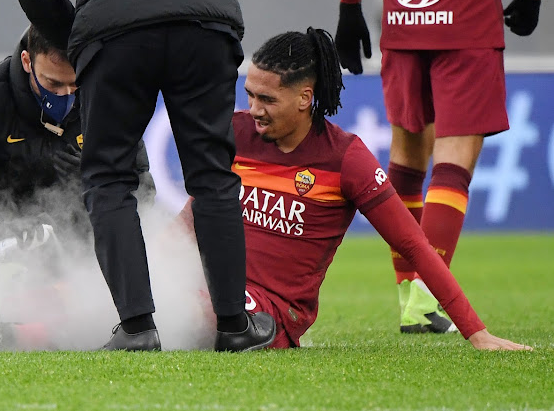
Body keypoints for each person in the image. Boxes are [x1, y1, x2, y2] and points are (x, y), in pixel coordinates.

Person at [180, 29, 530, 351]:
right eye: (250, 96)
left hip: (273, 310)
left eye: (267, 99)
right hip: (215, 286)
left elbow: (413, 244)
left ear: (305, 98)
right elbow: (195, 212)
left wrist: (476, 331)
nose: (254, 110)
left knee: (196, 312)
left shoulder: (345, 158)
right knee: (154, 297)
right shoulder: (235, 133)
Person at [13, 0, 274, 352]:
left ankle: (137, 329)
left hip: (112, 31)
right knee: (212, 178)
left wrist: (85, 30)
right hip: (204, 27)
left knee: (108, 179)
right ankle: (234, 325)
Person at [0, 24, 155, 349]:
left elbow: (144, 195)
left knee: (108, 206)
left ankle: (7, 327)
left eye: (74, 85)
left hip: (70, 251)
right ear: (26, 61)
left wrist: (94, 178)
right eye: (52, 83)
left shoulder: (107, 96)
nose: (64, 96)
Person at [335, 0, 543, 333]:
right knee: (454, 159)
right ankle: (426, 298)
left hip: (406, 18)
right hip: (468, 16)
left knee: (407, 157)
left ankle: (410, 300)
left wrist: (349, 4)